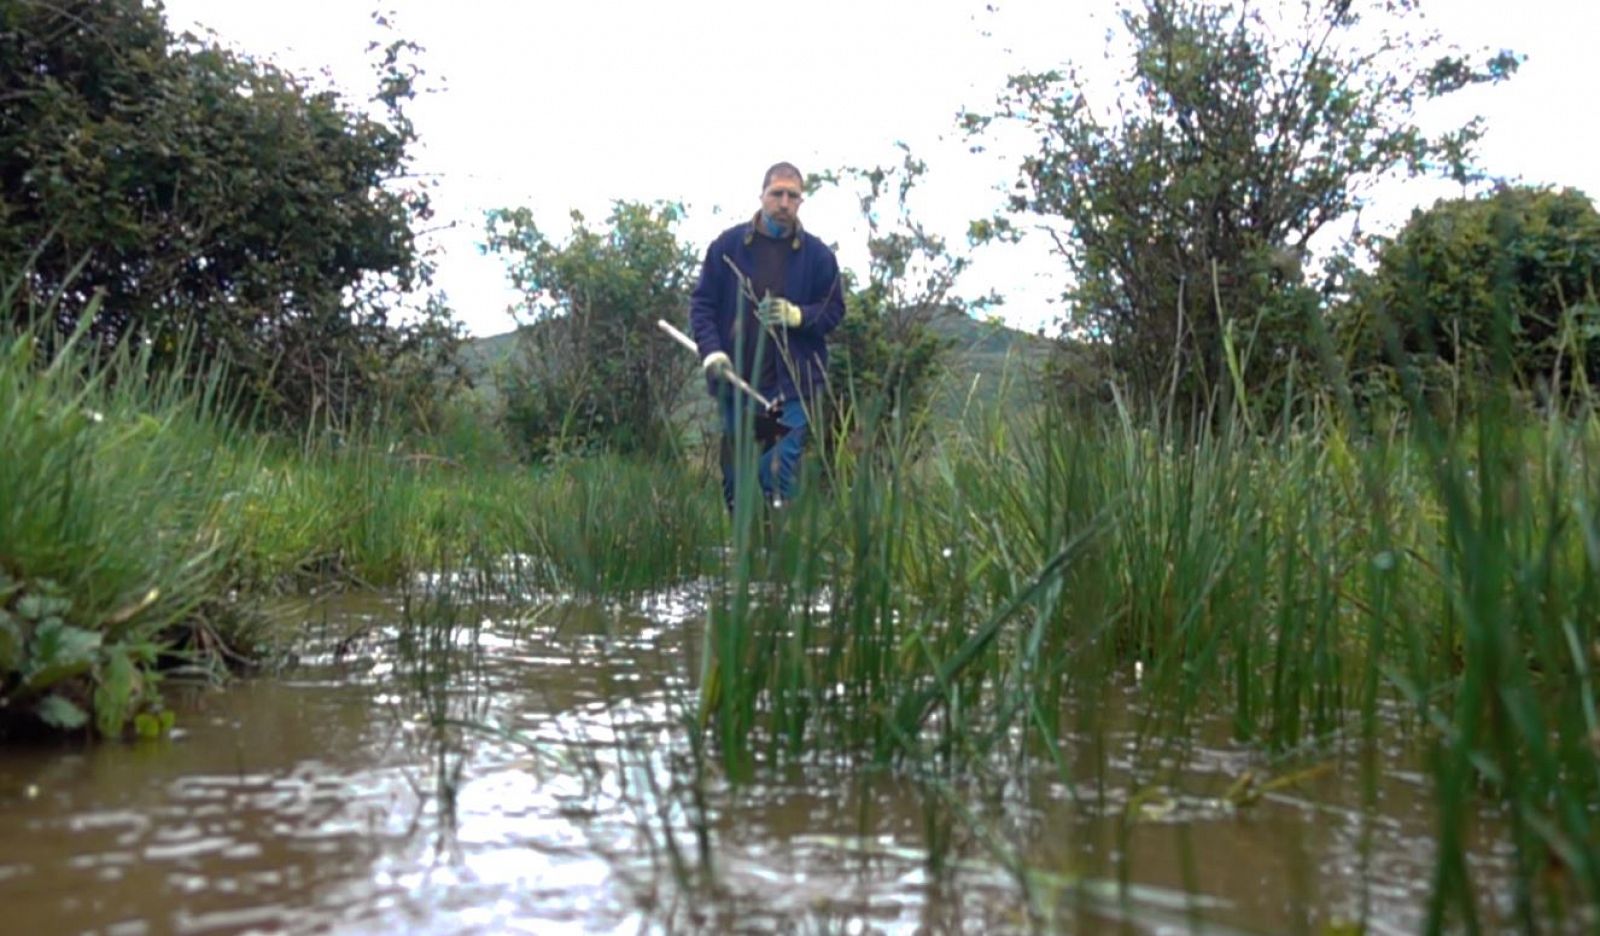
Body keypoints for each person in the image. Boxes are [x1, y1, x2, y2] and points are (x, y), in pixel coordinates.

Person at [689, 161, 845, 511]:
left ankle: (779, 557)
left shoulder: (818, 256)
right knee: (735, 478)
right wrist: (712, 352)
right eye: (777, 193)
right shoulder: (727, 247)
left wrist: (800, 315)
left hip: (791, 389)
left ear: (801, 202)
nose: (785, 202)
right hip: (736, 384)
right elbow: (702, 305)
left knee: (772, 472)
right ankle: (744, 558)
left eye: (793, 195)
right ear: (762, 195)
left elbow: (834, 309)